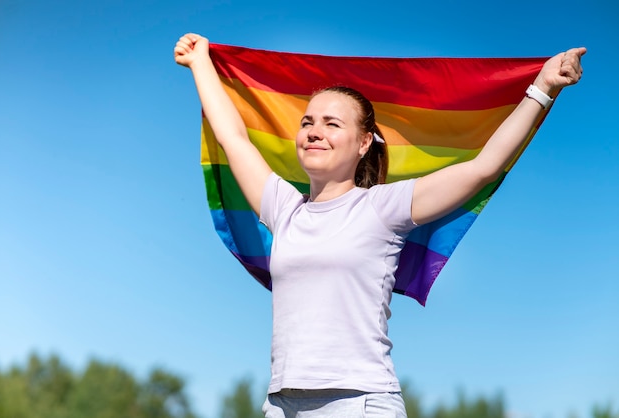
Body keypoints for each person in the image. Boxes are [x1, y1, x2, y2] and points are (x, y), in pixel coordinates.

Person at [174, 33, 585, 418]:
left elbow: (482, 168)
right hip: (281, 405)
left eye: (332, 124)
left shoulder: (383, 207)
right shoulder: (283, 208)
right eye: (307, 123)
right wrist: (200, 63)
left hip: (359, 401)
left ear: (364, 141)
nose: (314, 132)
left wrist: (542, 88)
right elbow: (233, 138)